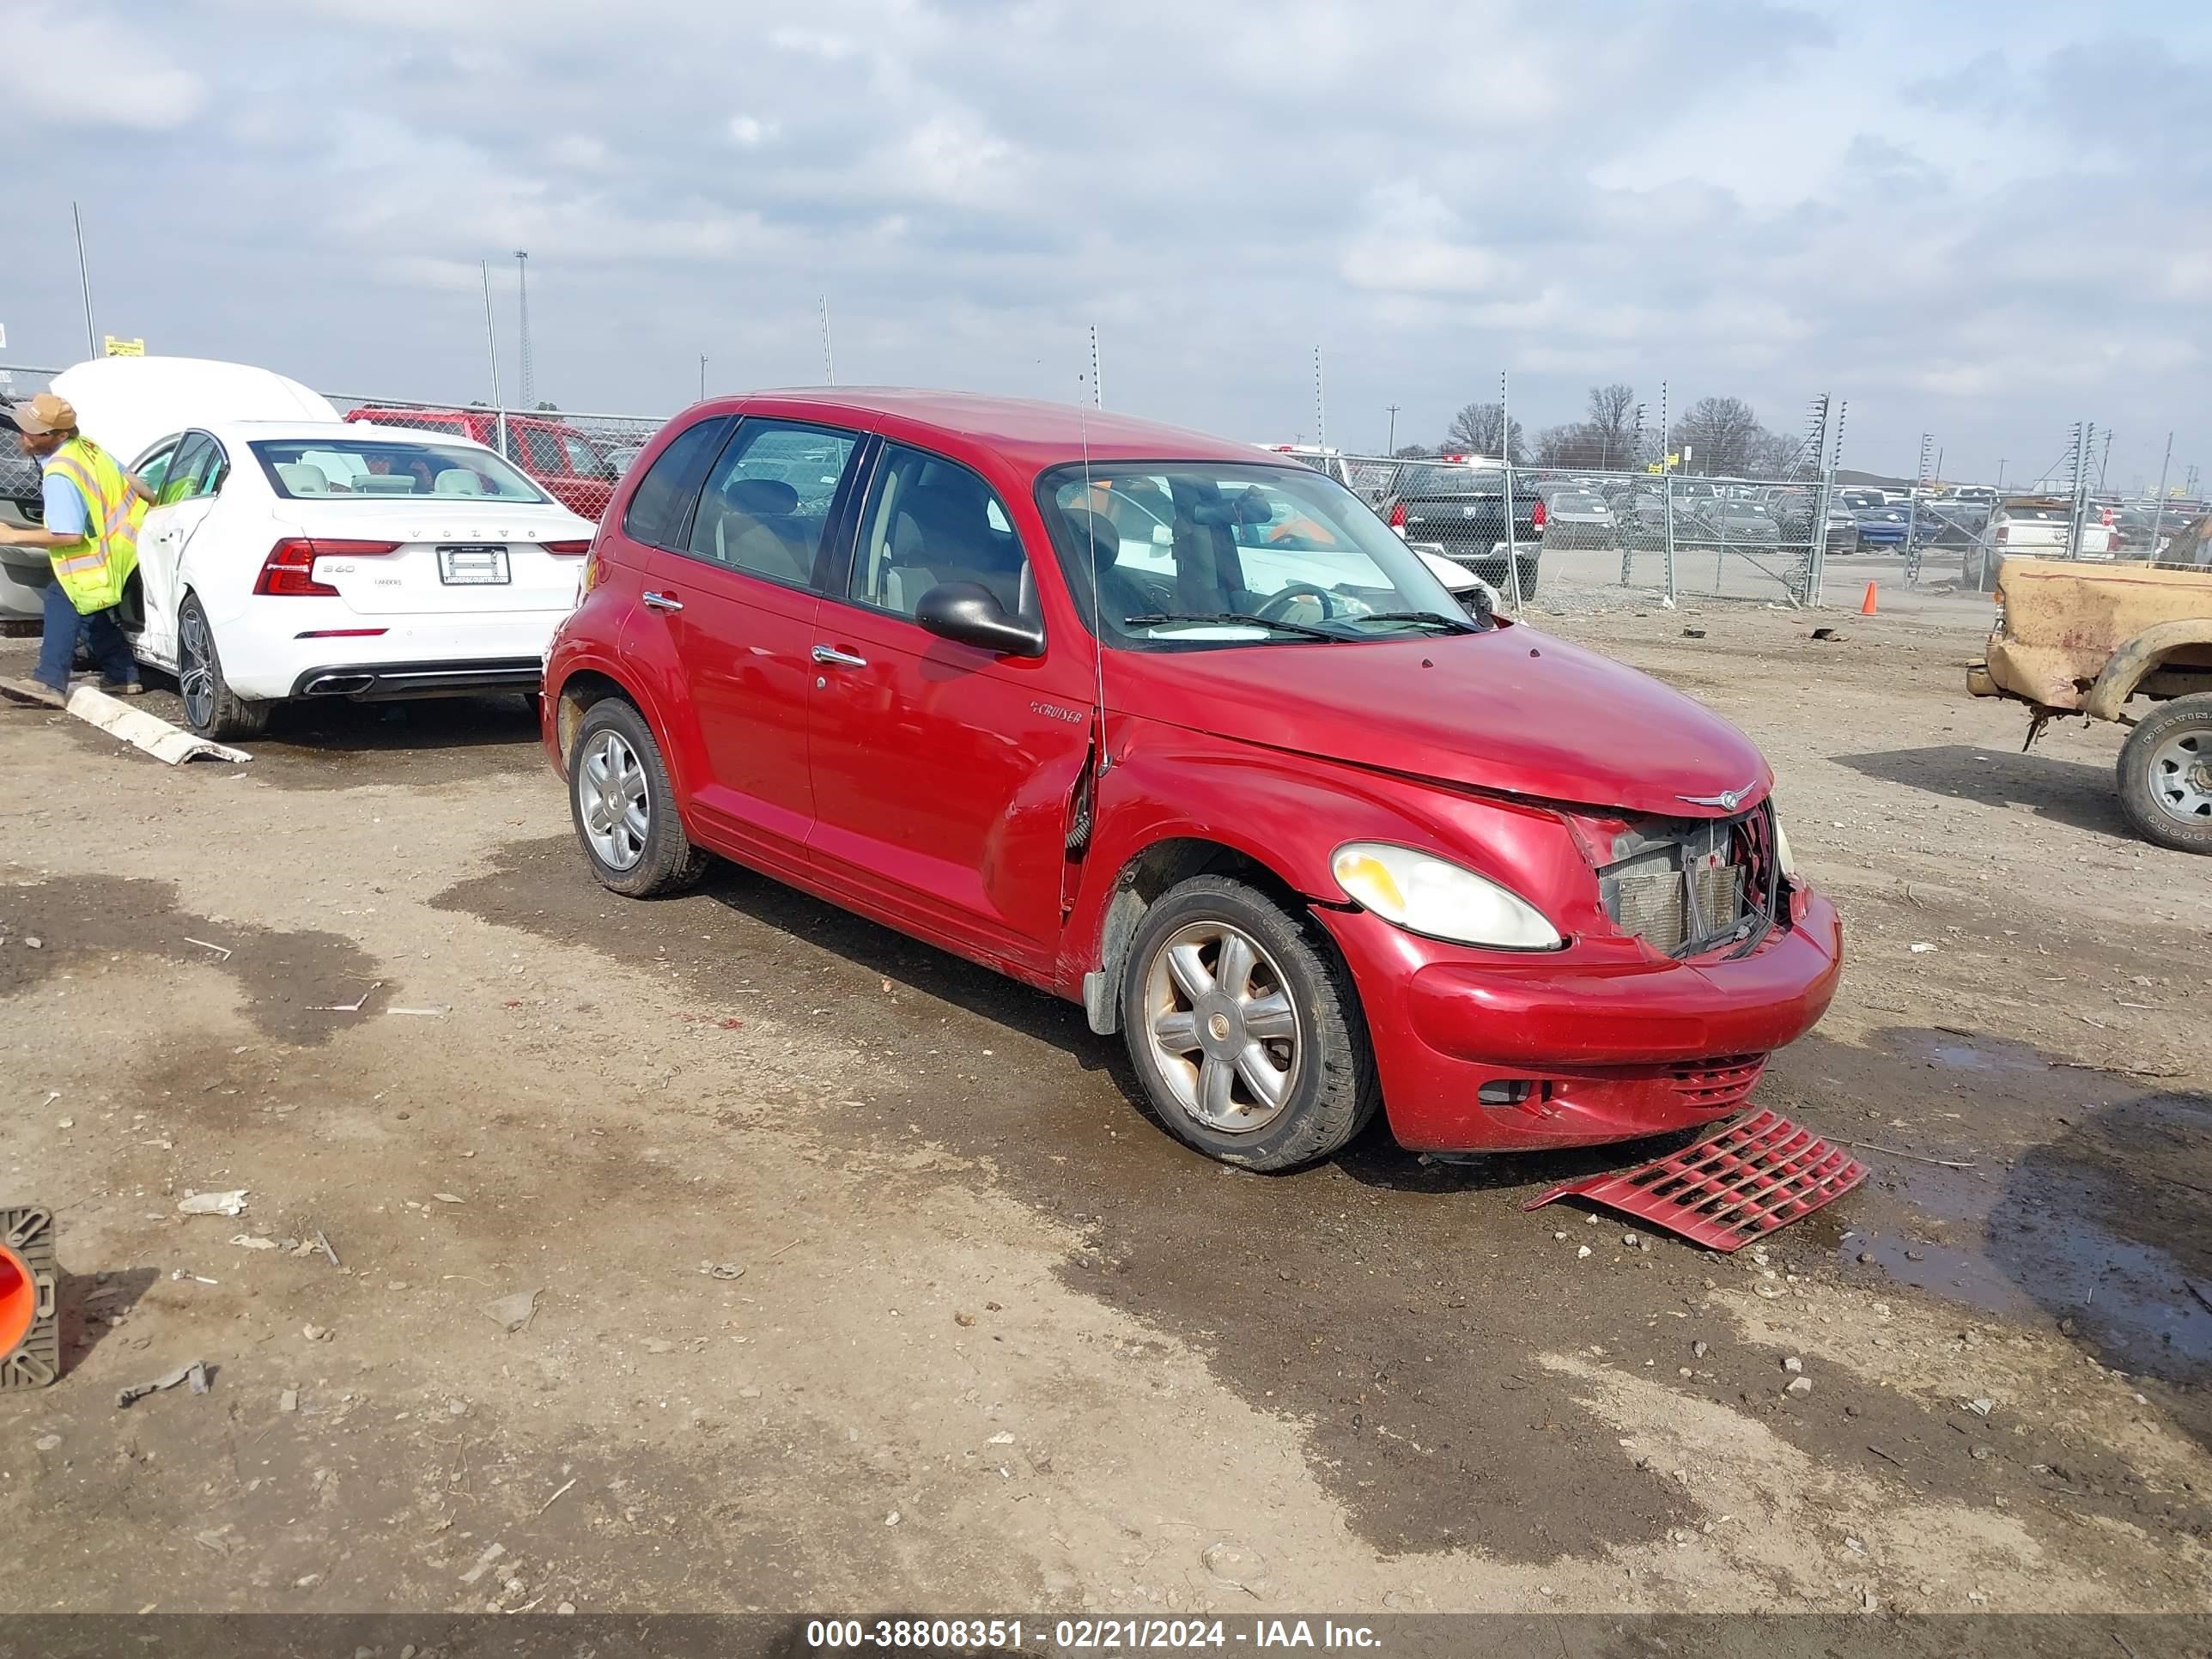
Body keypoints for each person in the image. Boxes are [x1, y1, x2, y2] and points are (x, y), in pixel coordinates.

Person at [0, 392, 149, 702]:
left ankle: (49, 682)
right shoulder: (87, 447)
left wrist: (12, 535)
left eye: (33, 431)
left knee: (63, 597)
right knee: (88, 609)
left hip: (94, 554)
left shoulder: (60, 472)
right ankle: (122, 675)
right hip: (123, 544)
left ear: (59, 435)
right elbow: (134, 481)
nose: (24, 435)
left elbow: (68, 535)